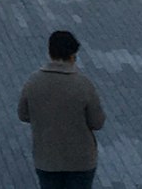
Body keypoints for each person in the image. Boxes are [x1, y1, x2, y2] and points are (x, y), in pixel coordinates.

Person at [17, 29, 105, 186]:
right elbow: (97, 122)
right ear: (72, 56)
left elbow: (23, 114)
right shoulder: (83, 84)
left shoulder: (33, 82)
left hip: (47, 159)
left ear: (50, 53)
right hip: (81, 161)